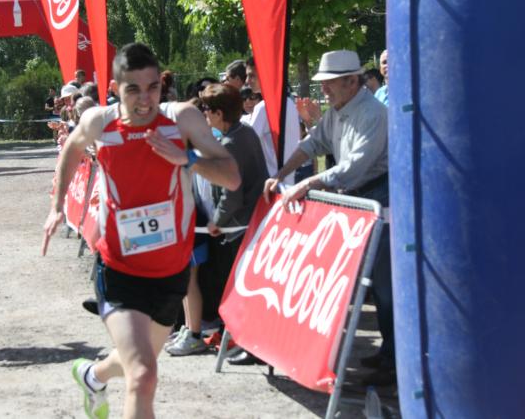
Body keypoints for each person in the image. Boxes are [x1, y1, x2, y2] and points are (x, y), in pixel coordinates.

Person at [42, 43, 240, 418]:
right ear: (116, 88)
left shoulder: (181, 120)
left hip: (170, 274)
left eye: (152, 87)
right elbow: (72, 146)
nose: (145, 99)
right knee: (144, 375)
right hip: (118, 270)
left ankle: (91, 375)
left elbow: (231, 176)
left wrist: (189, 158)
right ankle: (98, 376)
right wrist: (56, 207)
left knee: (138, 362)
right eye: (133, 89)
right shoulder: (100, 122)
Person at [263, 49, 393, 386]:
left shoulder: (374, 114)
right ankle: (386, 354)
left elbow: (354, 167)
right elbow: (313, 144)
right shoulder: (341, 111)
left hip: (379, 199)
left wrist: (304, 181)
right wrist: (282, 174)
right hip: (360, 199)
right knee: (365, 282)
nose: (324, 90)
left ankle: (393, 359)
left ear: (352, 81)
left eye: (330, 83)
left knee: (383, 283)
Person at [167, 83, 267, 358]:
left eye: (207, 110)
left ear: (220, 113)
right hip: (244, 222)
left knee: (239, 286)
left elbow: (231, 192)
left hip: (239, 226)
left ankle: (249, 343)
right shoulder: (242, 133)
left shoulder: (233, 142)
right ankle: (237, 336)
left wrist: (218, 221)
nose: (204, 115)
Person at [244, 57, 301, 185]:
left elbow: (245, 144)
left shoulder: (264, 107)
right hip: (289, 179)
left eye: (251, 76)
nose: (247, 81)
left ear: (265, 74)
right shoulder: (289, 103)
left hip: (274, 182)